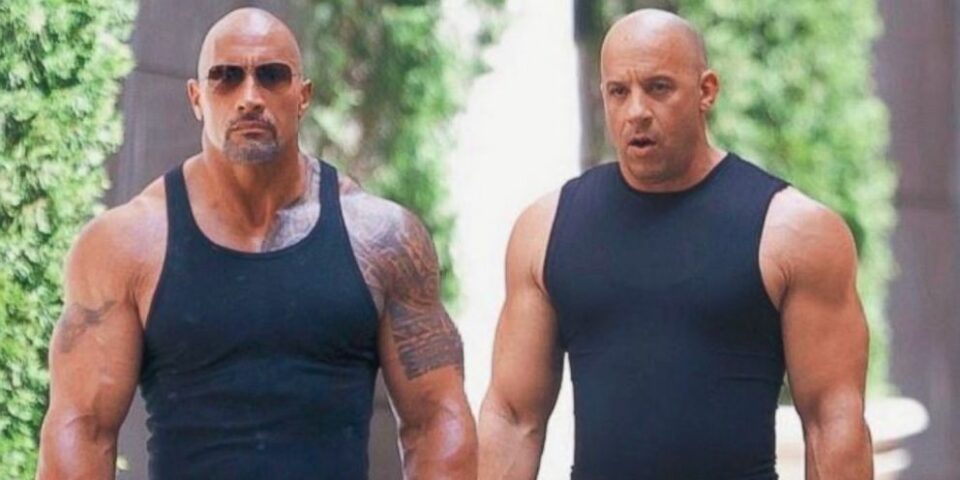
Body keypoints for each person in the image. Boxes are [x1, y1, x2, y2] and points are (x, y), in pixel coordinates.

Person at [37, 8, 475, 479]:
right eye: (226, 77)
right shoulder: (124, 245)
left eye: (271, 76)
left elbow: (436, 420)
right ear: (197, 98)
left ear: (303, 96)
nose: (249, 97)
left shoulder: (383, 238)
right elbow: (83, 429)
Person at [478, 8, 872, 480]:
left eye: (659, 88)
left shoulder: (794, 232)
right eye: (618, 92)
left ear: (706, 91)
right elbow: (513, 418)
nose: (636, 111)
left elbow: (833, 422)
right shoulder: (544, 229)